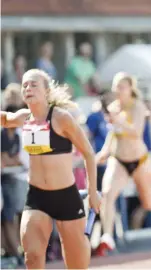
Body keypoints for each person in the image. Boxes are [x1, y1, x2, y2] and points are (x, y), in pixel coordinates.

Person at [0, 69, 101, 269]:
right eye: (25, 85)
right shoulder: (23, 117)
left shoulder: (62, 118)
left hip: (66, 196)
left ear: (46, 91)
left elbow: (89, 153)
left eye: (34, 84)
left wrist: (92, 192)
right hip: (37, 197)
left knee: (76, 264)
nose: (28, 88)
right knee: (33, 257)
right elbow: (4, 119)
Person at [95, 72, 151, 255]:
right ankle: (107, 236)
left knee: (147, 203)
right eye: (116, 86)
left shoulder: (137, 107)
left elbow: (136, 132)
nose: (118, 90)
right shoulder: (113, 108)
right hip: (119, 161)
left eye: (122, 87)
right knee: (107, 193)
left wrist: (120, 120)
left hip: (140, 161)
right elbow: (113, 134)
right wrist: (103, 153)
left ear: (130, 89)